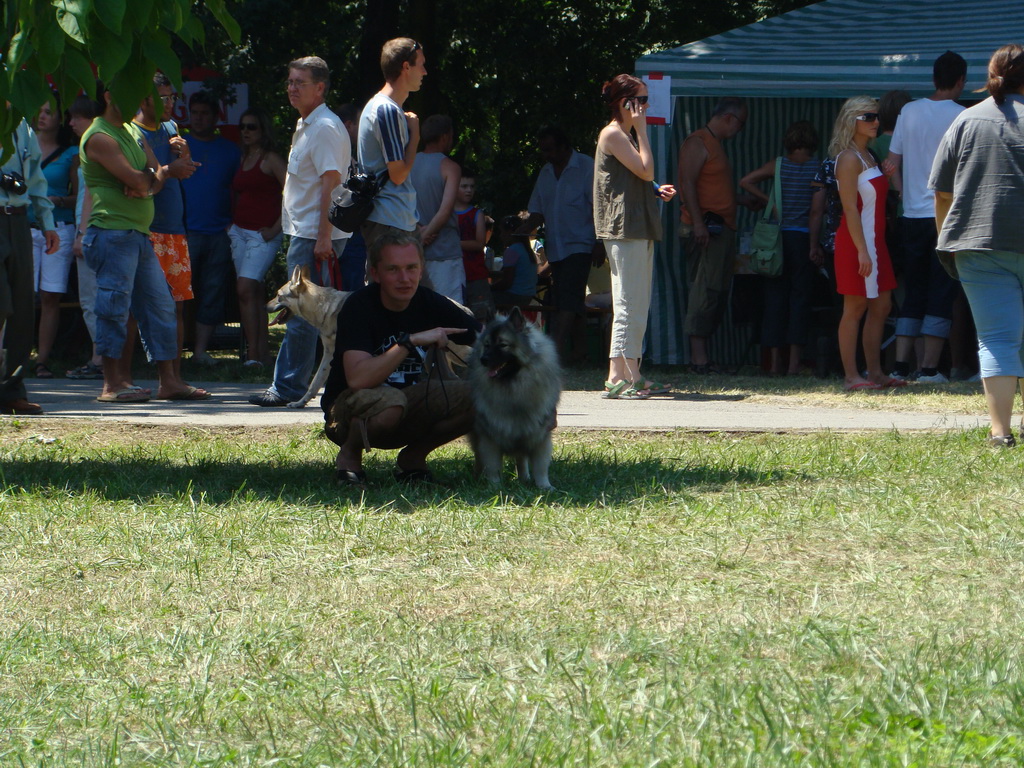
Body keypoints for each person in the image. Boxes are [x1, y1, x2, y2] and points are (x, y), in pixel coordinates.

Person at [79, 82, 209, 403]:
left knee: (161, 306)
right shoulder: (100, 136)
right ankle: (112, 383)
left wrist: (150, 179)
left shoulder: (129, 132)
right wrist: (149, 179)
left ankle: (170, 382)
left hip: (138, 233)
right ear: (109, 96)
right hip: (111, 232)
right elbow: (143, 178)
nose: (139, 101)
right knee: (114, 308)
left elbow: (151, 175)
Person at [321, 231, 480, 487]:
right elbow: (358, 378)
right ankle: (350, 456)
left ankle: (413, 459)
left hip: (409, 405)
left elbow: (490, 340)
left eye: (411, 268)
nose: (404, 278)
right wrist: (410, 341)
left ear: (421, 269)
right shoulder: (358, 307)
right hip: (347, 411)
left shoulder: (429, 302)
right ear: (375, 273)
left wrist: (536, 397)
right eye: (393, 269)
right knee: (392, 402)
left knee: (485, 395)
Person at [930, 44, 1024, 446]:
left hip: (977, 244)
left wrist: (944, 238)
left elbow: (942, 194)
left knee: (997, 340)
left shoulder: (966, 121)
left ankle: (1000, 433)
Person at [249, 56, 350, 407]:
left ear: (320, 88)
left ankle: (288, 388)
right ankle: (298, 385)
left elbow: (331, 185)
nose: (291, 88)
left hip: (314, 235)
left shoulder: (323, 127)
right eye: (290, 81)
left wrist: (324, 236)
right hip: (305, 232)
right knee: (306, 314)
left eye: (299, 83)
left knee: (300, 313)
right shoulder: (308, 123)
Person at [593, 74, 677, 400]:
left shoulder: (624, 136)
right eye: (639, 100)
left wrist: (655, 192)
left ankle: (625, 375)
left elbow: (637, 178)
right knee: (629, 304)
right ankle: (622, 378)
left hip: (637, 226)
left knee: (637, 304)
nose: (645, 106)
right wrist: (642, 131)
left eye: (645, 100)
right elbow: (646, 169)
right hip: (624, 230)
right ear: (622, 103)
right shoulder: (615, 134)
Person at [887, 51, 967, 383]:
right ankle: (930, 368)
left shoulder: (908, 111)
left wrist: (903, 192)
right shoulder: (962, 116)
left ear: (933, 78)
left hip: (912, 215)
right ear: (960, 81)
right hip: (947, 215)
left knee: (914, 289)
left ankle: (901, 365)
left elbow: (890, 163)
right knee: (942, 289)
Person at [677, 96, 760, 373]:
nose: (741, 129)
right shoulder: (697, 142)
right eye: (741, 123)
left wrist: (741, 201)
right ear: (729, 118)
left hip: (719, 228)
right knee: (704, 289)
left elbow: (711, 190)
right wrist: (699, 224)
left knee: (716, 291)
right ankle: (698, 360)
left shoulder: (715, 146)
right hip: (705, 230)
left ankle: (704, 358)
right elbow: (686, 183)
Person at [830, 96, 901, 392]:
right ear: (852, 120)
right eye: (869, 117)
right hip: (857, 241)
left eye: (877, 116)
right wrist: (861, 250)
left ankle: (875, 372)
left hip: (874, 241)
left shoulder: (867, 155)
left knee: (881, 306)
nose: (876, 122)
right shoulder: (848, 158)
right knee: (855, 306)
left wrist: (886, 175)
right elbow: (849, 208)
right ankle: (851, 376)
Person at [739, 121, 819, 376]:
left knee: (774, 300)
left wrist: (769, 202)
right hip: (804, 238)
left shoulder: (778, 165)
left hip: (776, 240)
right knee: (800, 300)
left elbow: (746, 181)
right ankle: (794, 364)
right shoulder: (817, 169)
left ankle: (773, 364)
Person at [130, 73, 195, 382]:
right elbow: (145, 180)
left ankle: (174, 379)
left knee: (177, 306)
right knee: (135, 308)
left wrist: (186, 154)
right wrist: (170, 169)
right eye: (164, 98)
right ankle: (123, 377)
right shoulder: (131, 131)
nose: (170, 104)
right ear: (145, 100)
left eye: (173, 97)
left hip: (175, 229)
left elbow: (185, 173)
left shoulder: (171, 128)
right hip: (147, 228)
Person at [522, 125, 602, 361]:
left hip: (581, 245)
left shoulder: (587, 167)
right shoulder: (545, 173)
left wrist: (599, 242)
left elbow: (599, 208)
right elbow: (536, 212)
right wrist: (518, 234)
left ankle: (552, 353)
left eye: (550, 149)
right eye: (543, 150)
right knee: (570, 298)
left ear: (564, 147)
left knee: (567, 298)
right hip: (556, 247)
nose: (546, 155)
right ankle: (581, 351)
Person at [1, 119, 58, 415]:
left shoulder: (22, 125)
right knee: (1, 305)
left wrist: (47, 223)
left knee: (23, 308)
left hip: (19, 219)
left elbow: (35, 177)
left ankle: (12, 391)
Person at [182, 89, 241, 366]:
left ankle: (200, 352)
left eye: (205, 114)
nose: (199, 119)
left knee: (213, 291)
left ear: (216, 117)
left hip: (219, 232)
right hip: (183, 232)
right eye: (195, 113)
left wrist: (233, 222)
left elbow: (240, 190)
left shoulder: (230, 150)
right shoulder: (178, 146)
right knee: (179, 294)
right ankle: (173, 352)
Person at [229, 107, 285, 367]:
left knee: (245, 287)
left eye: (252, 126)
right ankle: (261, 355)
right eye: (243, 127)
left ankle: (252, 355)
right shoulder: (243, 157)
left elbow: (294, 195)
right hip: (239, 232)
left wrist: (276, 229)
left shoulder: (271, 158)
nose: (246, 131)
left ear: (263, 130)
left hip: (263, 235)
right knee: (252, 292)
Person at [358, 37, 426, 248]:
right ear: (406, 67)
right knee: (397, 282)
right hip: (390, 222)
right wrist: (415, 137)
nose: (425, 72)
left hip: (393, 220)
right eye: (422, 65)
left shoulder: (384, 108)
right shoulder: (386, 110)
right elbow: (398, 175)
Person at [27, 98, 78, 379]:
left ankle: (41, 361)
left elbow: (79, 197)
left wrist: (56, 199)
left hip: (58, 228)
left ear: (62, 119)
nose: (42, 116)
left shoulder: (71, 152)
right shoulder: (19, 146)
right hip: (24, 227)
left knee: (50, 296)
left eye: (49, 112)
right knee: (19, 297)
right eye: (39, 110)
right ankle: (14, 358)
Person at [66, 93, 104, 380]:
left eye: (76, 117)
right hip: (95, 229)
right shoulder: (92, 147)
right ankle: (101, 356)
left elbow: (89, 195)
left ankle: (100, 359)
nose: (70, 123)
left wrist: (81, 234)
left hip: (90, 231)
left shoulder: (92, 147)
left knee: (91, 300)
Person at [409, 114, 463, 300]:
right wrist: (425, 234)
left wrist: (417, 233)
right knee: (451, 311)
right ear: (446, 137)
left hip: (413, 251)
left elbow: (403, 204)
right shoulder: (450, 167)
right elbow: (445, 210)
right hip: (445, 253)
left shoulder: (409, 164)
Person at [336, 102, 367, 291]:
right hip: (344, 232)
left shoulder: (349, 155)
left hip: (349, 232)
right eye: (360, 124)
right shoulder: (337, 156)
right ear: (348, 125)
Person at [456, 170, 493, 320]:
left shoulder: (477, 214)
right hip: (455, 275)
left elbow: (479, 243)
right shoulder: (445, 213)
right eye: (464, 186)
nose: (469, 190)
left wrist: (452, 244)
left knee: (482, 319)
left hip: (475, 276)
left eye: (471, 186)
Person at [491, 212, 539, 310]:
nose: (500, 236)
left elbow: (507, 282)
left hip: (514, 296)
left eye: (502, 232)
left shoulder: (513, 250)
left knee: (480, 299)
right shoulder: (527, 250)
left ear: (509, 232)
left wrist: (490, 288)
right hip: (527, 297)